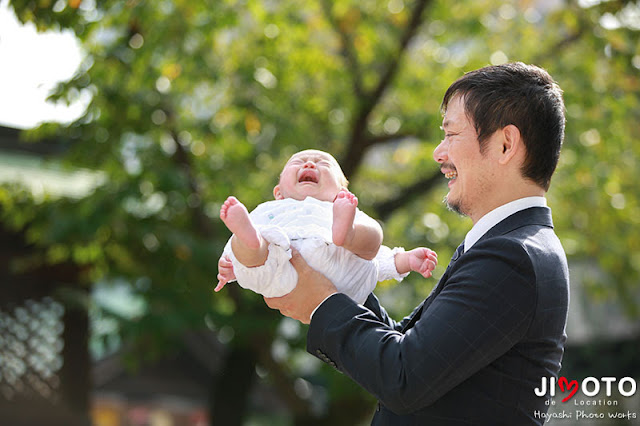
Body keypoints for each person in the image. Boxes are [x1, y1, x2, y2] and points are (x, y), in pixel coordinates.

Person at [264, 63, 570, 425]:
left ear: (505, 144)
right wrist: (332, 271)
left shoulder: (513, 256)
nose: (439, 154)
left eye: (452, 134)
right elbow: (405, 345)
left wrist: (321, 301)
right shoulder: (512, 246)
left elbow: (404, 377)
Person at [216, 149, 438, 304]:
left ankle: (348, 236)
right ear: (279, 193)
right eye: (298, 161)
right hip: (278, 269)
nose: (310, 163)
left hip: (339, 265)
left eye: (323, 163)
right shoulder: (269, 211)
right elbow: (237, 255)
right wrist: (231, 267)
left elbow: (379, 259)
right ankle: (251, 242)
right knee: (250, 245)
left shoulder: (341, 209)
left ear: (342, 192)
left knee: (372, 234)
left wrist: (406, 260)